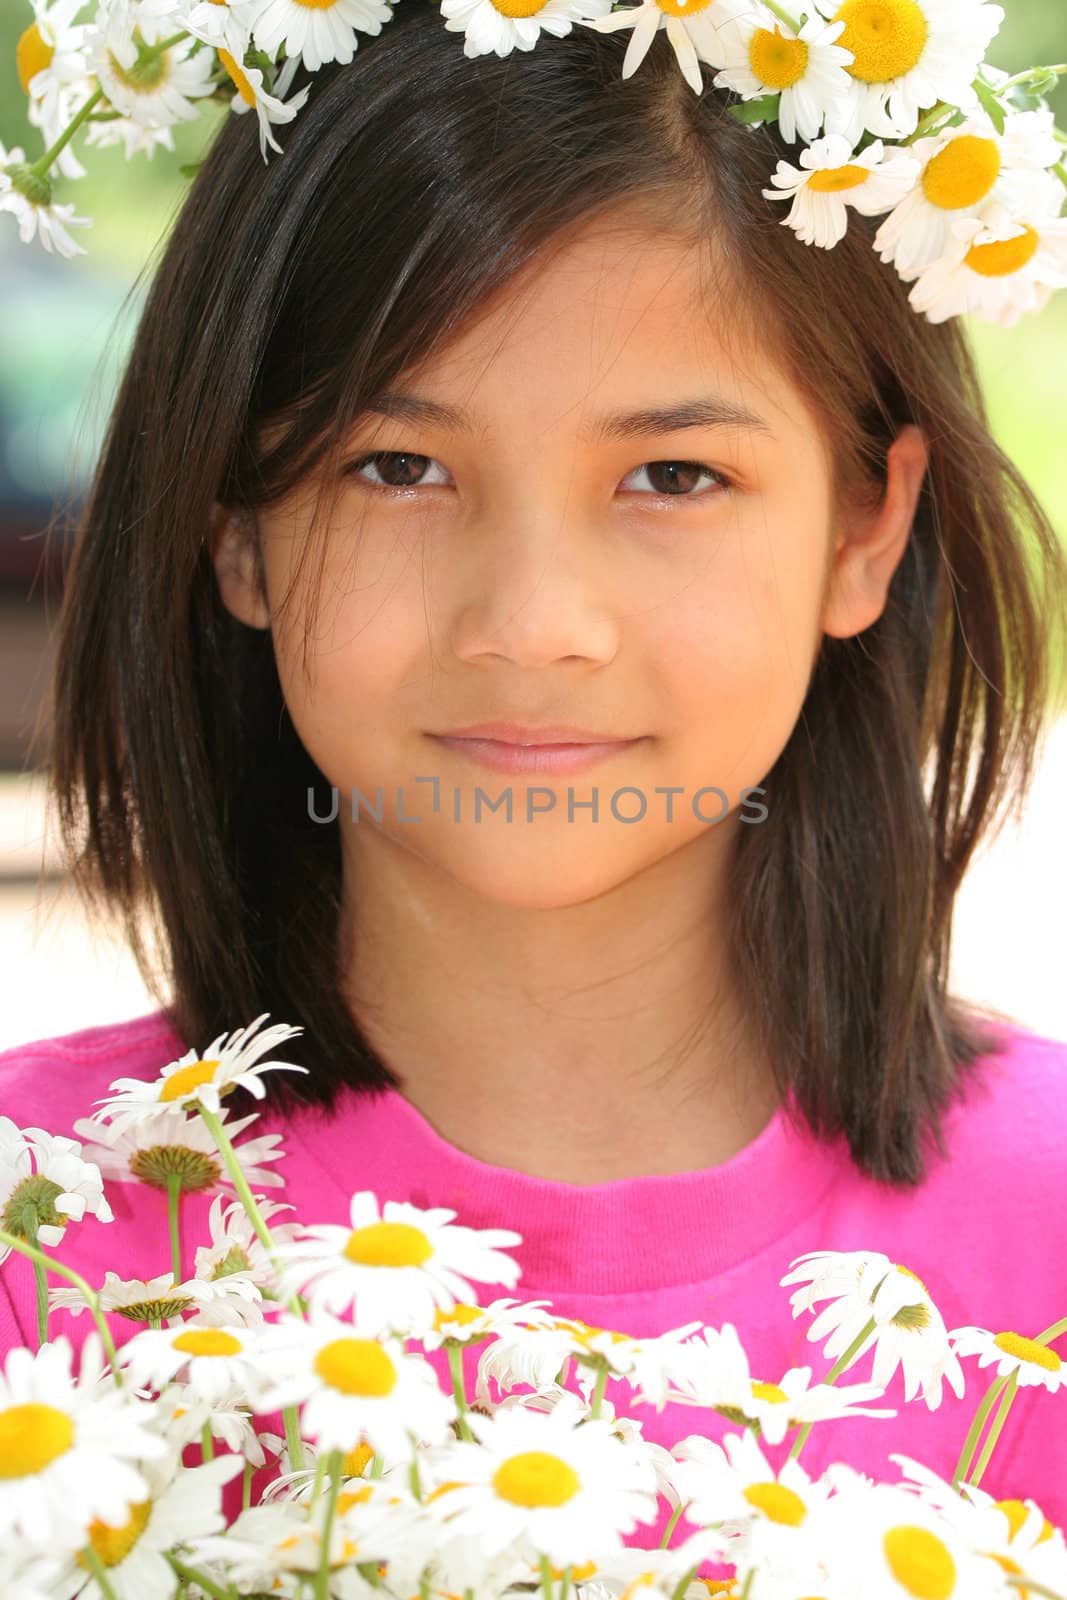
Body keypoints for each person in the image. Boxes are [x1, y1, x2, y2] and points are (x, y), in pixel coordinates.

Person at [2, 0, 1067, 1541]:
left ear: (864, 528)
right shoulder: (47, 1242)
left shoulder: (1047, 1235)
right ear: (233, 516)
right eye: (399, 467)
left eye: (672, 476)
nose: (531, 626)